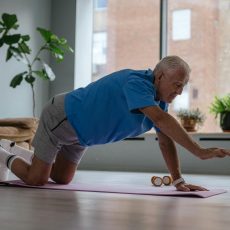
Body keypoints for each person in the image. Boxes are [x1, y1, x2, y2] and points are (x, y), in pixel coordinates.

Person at [0, 55, 230, 191]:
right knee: (36, 180)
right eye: (177, 84)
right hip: (62, 117)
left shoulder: (159, 103)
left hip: (80, 135)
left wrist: (178, 180)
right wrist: (199, 151)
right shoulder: (137, 83)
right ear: (159, 77)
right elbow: (161, 120)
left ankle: (16, 150)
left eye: (183, 86)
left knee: (62, 179)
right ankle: (2, 153)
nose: (180, 92)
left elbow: (165, 141)